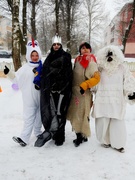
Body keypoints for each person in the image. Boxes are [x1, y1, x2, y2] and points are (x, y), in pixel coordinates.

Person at [92, 45, 135, 153]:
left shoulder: (122, 68)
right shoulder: (99, 68)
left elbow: (128, 81)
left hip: (117, 100)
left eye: (112, 55)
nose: (109, 57)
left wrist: (130, 92)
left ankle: (118, 144)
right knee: (102, 121)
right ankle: (105, 141)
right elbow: (94, 83)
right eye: (107, 55)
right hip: (103, 100)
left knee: (117, 122)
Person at [34, 34, 72, 147]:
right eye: (54, 44)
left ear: (61, 45)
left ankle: (60, 136)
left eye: (58, 44)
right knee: (52, 112)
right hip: (51, 91)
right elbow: (45, 73)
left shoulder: (66, 56)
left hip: (62, 91)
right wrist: (42, 82)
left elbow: (68, 74)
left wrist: (61, 86)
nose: (56, 46)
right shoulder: (49, 57)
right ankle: (54, 133)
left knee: (61, 113)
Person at [3, 40, 43, 146]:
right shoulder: (25, 68)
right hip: (29, 98)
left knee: (39, 117)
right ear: (29, 56)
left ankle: (38, 132)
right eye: (32, 55)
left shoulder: (43, 67)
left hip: (41, 97)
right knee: (29, 117)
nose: (35, 57)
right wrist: (9, 74)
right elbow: (16, 80)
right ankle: (24, 138)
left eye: (36, 55)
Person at [67, 42, 100, 147]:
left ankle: (81, 136)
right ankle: (80, 135)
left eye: (87, 48)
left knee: (83, 114)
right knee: (75, 113)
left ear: (90, 50)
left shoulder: (92, 60)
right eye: (82, 48)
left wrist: (85, 85)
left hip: (84, 92)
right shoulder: (77, 60)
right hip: (75, 91)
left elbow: (96, 78)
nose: (85, 50)